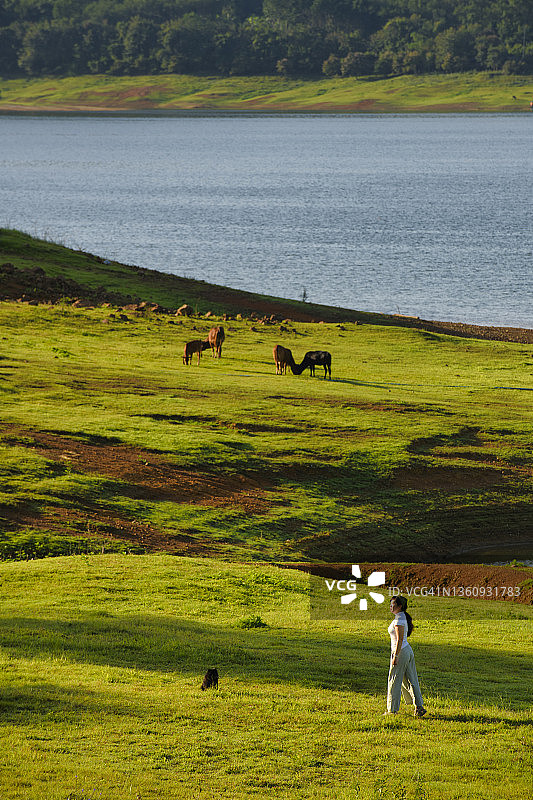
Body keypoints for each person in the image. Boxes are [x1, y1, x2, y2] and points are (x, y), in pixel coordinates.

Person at [385, 595, 427, 717]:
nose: (391, 607)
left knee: (394, 680)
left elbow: (399, 639)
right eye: (390, 604)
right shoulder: (401, 617)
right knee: (410, 680)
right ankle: (419, 707)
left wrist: (396, 656)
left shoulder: (399, 620)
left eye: (394, 605)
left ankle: (391, 710)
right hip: (406, 650)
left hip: (401, 652)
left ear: (400, 606)